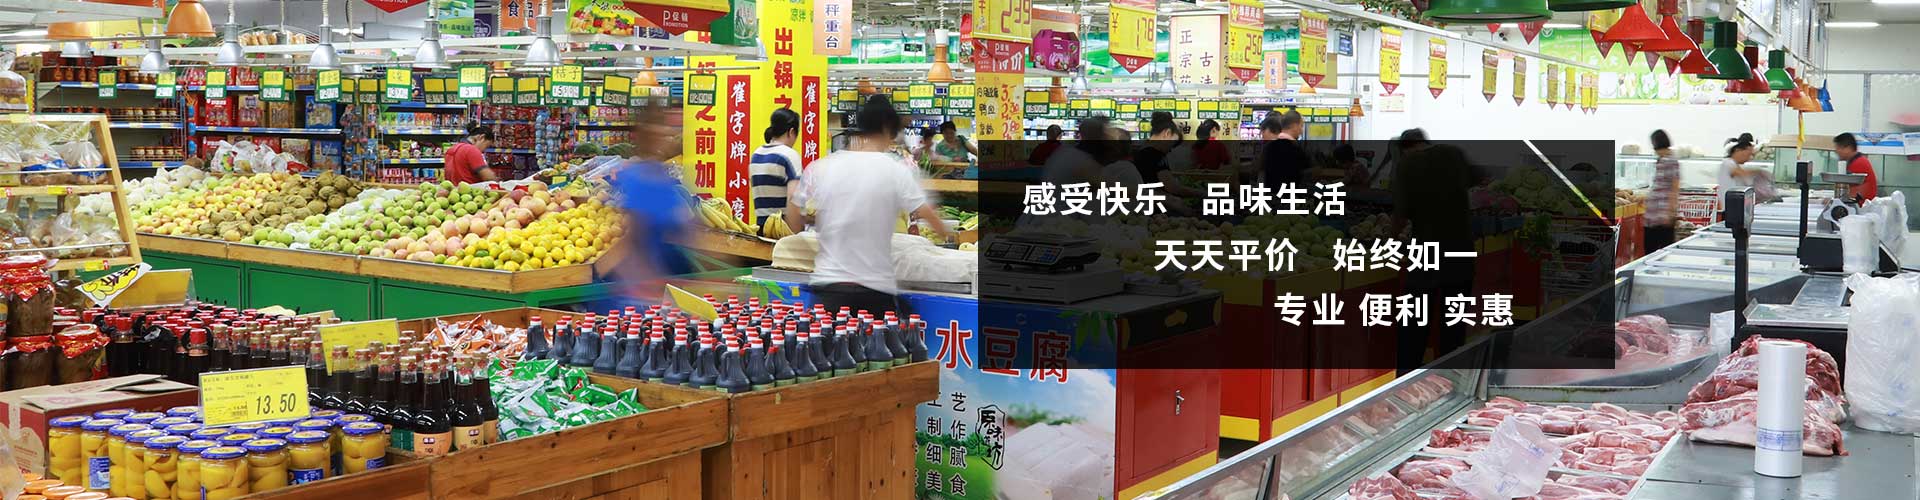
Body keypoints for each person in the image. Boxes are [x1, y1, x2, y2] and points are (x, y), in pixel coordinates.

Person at [787, 95, 956, 315]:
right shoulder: (896, 170)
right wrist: (949, 238)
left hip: (828, 288)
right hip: (874, 290)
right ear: (887, 128)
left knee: (828, 338)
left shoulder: (823, 167)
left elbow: (794, 212)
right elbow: (931, 217)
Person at [1388, 129, 1477, 374]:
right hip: (1460, 253)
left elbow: (1400, 215)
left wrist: (1388, 241)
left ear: (1405, 148)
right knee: (1454, 325)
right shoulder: (1454, 153)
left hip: (1426, 254)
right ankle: (1452, 381)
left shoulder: (1408, 165)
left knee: (1413, 327)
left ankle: (1407, 381)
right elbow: (1477, 180)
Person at [606, 104, 694, 305]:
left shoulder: (660, 174)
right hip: (641, 292)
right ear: (642, 133)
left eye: (663, 125)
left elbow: (682, 228)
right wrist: (646, 284)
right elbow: (630, 241)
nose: (664, 132)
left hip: (666, 282)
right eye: (656, 126)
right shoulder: (635, 178)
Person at [750, 109, 804, 226]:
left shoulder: (756, 155)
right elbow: (794, 198)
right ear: (791, 132)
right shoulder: (789, 155)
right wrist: (795, 232)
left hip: (761, 228)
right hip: (782, 229)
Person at [1135, 112, 1203, 198]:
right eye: (1173, 143)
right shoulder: (1156, 155)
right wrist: (1202, 193)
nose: (1170, 150)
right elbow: (1172, 188)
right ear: (1167, 133)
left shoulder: (1140, 150)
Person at [1645, 130, 1680, 252]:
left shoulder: (1671, 160)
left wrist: (1671, 212)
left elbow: (1675, 187)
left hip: (1663, 214)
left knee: (1662, 251)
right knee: (1650, 250)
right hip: (1652, 215)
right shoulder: (1662, 159)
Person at [1261, 110, 1308, 186]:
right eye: (1301, 126)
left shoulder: (1268, 147)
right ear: (1295, 126)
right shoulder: (1296, 149)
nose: (1301, 131)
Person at [1717, 133, 1758, 209]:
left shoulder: (1736, 164)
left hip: (1737, 206)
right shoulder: (1728, 163)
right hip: (1729, 207)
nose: (1749, 158)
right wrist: (1760, 173)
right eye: (1748, 154)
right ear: (1738, 150)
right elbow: (1739, 173)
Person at [1834, 133, 1878, 201]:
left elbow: (1854, 193)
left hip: (1862, 205)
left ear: (1848, 148)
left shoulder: (1858, 164)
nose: (1836, 151)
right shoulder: (1856, 161)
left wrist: (1833, 200)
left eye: (1838, 148)